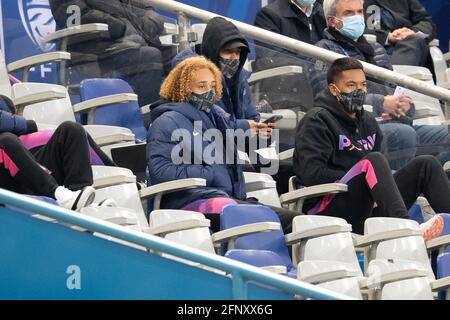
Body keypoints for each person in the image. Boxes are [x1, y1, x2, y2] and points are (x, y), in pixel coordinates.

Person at [293, 57, 450, 236]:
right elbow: (312, 174)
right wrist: (360, 178)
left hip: (370, 206)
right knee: (372, 162)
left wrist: (373, 185)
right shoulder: (316, 121)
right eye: (351, 85)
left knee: (426, 165)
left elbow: (379, 168)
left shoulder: (367, 121)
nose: (359, 91)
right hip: (329, 207)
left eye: (363, 85)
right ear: (333, 89)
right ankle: (407, 232)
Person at [147, 56, 301, 233]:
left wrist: (262, 137)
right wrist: (207, 173)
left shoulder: (217, 117)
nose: (209, 91)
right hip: (190, 201)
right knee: (273, 222)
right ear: (182, 88)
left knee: (296, 221)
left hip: (225, 197)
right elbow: (160, 171)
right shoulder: (167, 122)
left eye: (212, 85)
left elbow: (241, 146)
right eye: (201, 86)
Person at [312, 0, 450, 170]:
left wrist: (405, 105)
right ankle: (400, 190)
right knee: (403, 134)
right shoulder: (322, 50)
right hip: (357, 133)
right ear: (332, 21)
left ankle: (432, 186)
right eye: (348, 13)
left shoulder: (376, 49)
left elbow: (396, 91)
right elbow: (328, 98)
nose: (357, 17)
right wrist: (381, 104)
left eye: (359, 12)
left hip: (397, 123)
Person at [49, 0, 174, 106]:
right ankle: (151, 118)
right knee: (149, 56)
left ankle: (179, 120)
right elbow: (73, 14)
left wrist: (150, 21)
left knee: (180, 59)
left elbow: (146, 9)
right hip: (95, 48)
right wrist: (120, 26)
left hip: (132, 43)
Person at [172, 17, 273, 137]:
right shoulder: (196, 76)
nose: (234, 57)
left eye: (238, 52)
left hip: (233, 146)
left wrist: (260, 129)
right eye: (228, 51)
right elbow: (209, 123)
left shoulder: (239, 76)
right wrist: (245, 127)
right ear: (213, 51)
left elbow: (251, 115)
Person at [0, 96, 100, 211]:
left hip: (19, 168)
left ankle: (80, 200)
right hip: (6, 181)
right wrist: (30, 126)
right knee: (6, 141)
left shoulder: (3, 101)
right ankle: (58, 194)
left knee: (71, 130)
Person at [363, 0, 436, 67]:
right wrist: (388, 37)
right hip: (377, 47)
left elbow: (427, 23)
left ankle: (394, 78)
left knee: (414, 40)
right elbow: (362, 28)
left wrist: (412, 31)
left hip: (408, 43)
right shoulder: (362, 3)